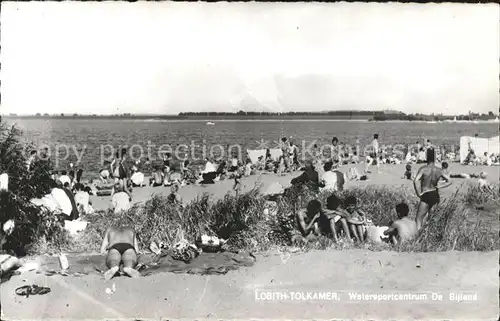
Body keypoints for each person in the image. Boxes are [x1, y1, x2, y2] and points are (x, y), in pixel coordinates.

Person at [413, 148, 452, 230]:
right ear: (434, 158)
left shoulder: (423, 169)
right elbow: (450, 181)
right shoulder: (439, 170)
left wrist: (418, 193)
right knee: (432, 218)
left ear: (427, 157)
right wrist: (439, 186)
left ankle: (418, 238)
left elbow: (415, 181)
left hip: (426, 194)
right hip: (435, 194)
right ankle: (430, 236)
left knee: (419, 218)